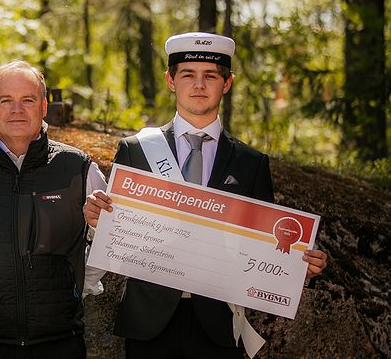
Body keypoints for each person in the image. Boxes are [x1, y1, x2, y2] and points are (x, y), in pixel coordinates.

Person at [82, 32, 328, 359]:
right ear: (171, 80)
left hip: (219, 322)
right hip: (148, 322)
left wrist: (300, 268)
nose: (199, 84)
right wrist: (97, 221)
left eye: (210, 76)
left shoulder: (251, 163)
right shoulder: (136, 150)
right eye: (188, 75)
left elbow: (266, 247)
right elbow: (117, 231)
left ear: (227, 83)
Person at [0, 60, 106, 359]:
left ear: (43, 107)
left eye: (27, 100)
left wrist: (79, 286)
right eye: (6, 100)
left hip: (60, 343)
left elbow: (106, 240)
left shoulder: (78, 168)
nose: (17, 109)